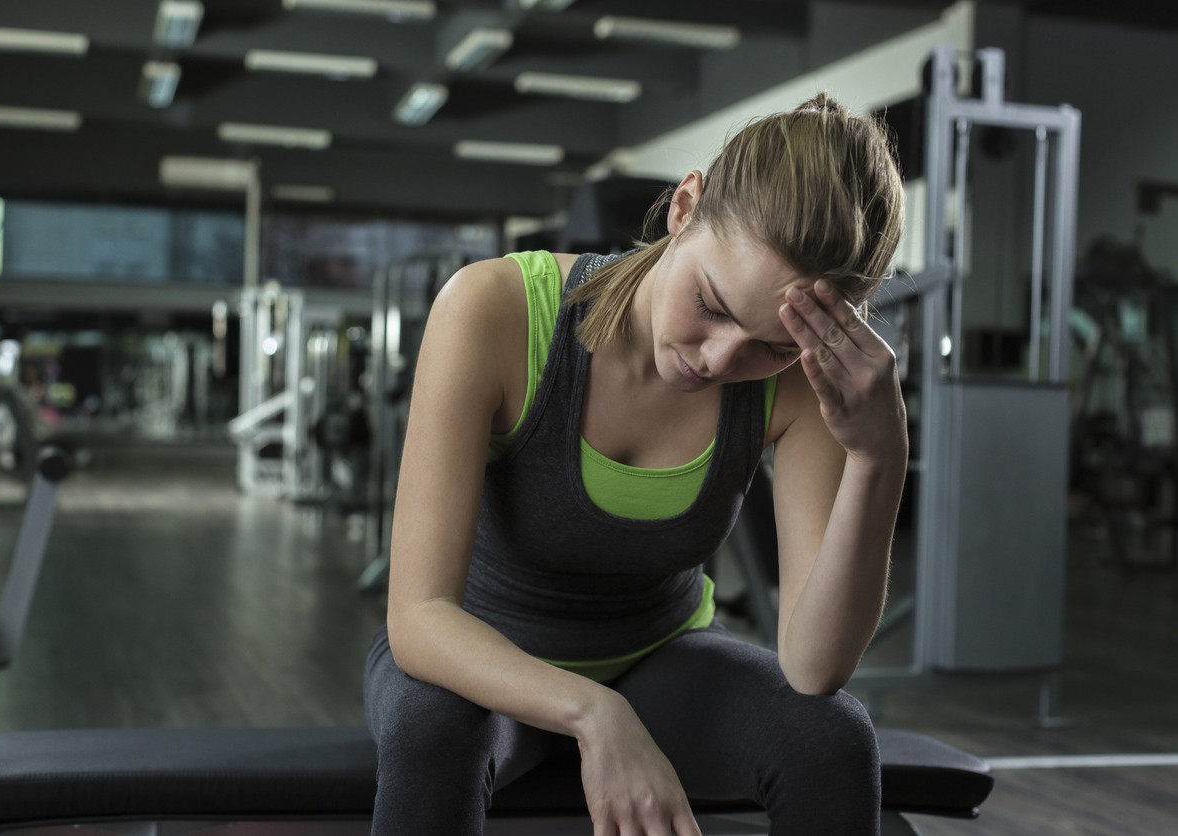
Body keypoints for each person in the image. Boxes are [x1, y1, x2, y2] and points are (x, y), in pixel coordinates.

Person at [363, 92, 908, 836]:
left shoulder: (801, 383)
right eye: (712, 305)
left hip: (659, 661)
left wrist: (878, 455)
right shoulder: (493, 309)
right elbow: (419, 618)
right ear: (686, 205)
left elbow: (814, 667)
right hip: (477, 666)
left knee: (832, 738)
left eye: (771, 345)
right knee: (433, 735)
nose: (720, 361)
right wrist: (595, 714)